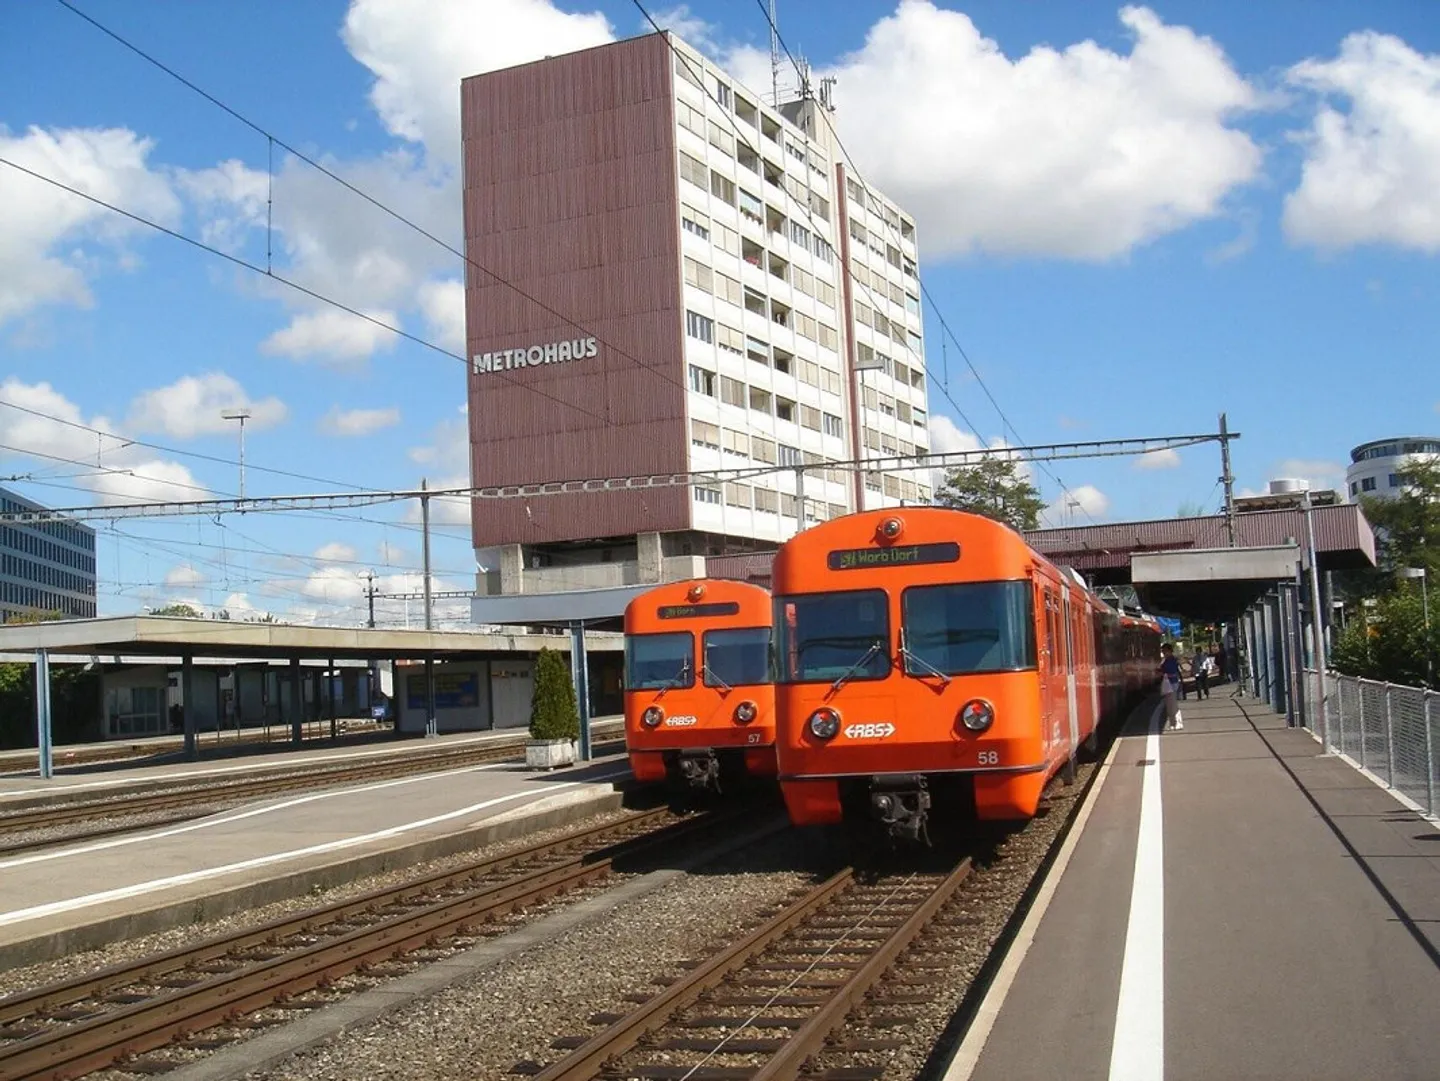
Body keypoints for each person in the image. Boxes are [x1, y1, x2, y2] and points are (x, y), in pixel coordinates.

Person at [1159, 643, 1183, 731]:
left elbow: (1174, 672)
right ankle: (1172, 723)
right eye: (1162, 651)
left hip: (1173, 683)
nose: (1163, 653)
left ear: (1169, 651)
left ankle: (1179, 723)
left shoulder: (1173, 660)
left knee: (1173, 705)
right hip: (1167, 684)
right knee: (1169, 705)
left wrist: (1166, 674)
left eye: (1164, 651)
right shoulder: (1166, 660)